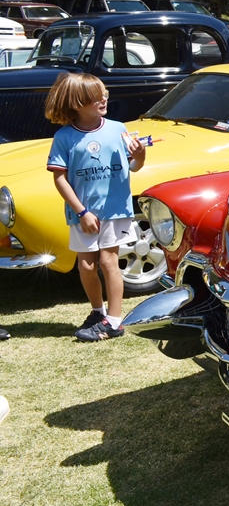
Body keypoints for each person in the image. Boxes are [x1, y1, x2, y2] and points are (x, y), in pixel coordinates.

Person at [44, 72, 147, 342]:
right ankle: (97, 311)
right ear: (76, 103)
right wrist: (82, 212)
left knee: (108, 261)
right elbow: (59, 178)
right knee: (86, 266)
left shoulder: (117, 128)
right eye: (95, 97)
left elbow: (132, 166)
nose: (103, 99)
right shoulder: (64, 137)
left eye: (104, 94)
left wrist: (140, 156)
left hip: (114, 210)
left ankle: (114, 321)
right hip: (83, 214)